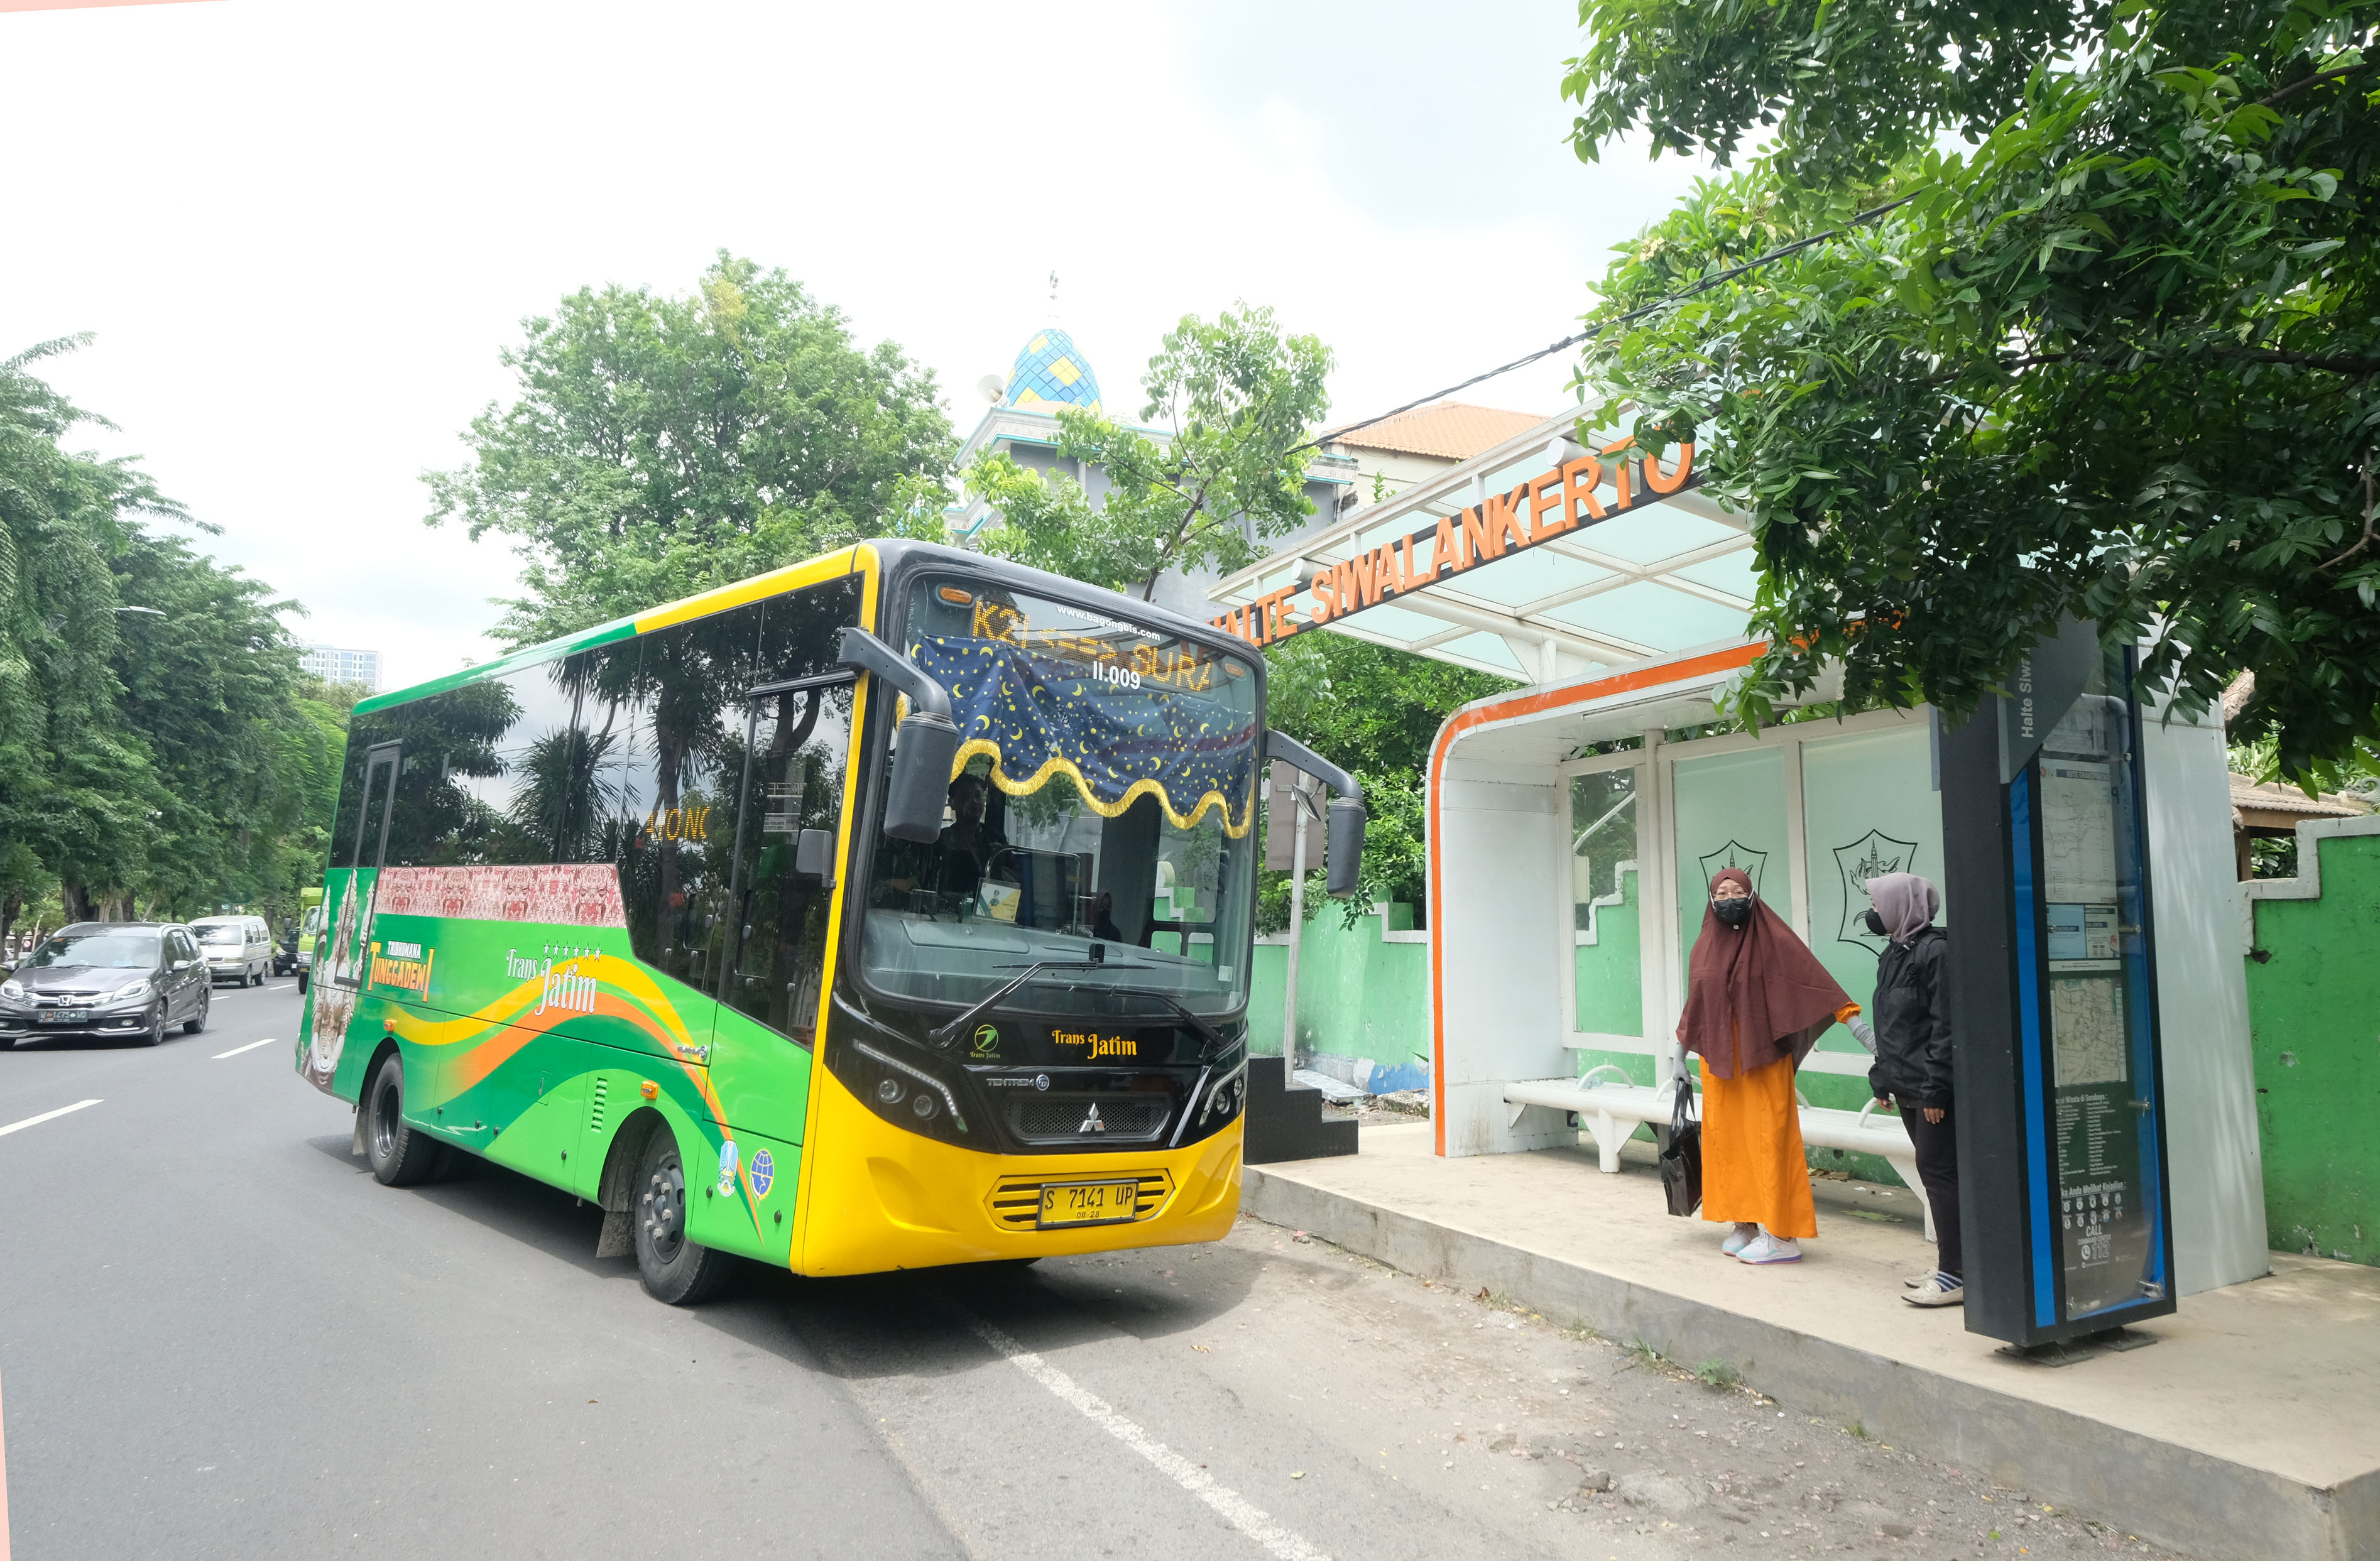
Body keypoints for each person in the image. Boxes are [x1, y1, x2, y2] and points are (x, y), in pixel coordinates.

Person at [1676, 868, 1862, 1265]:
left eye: (1737, 891)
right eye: (1721, 892)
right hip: (1719, 1065)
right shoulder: (1704, 946)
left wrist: (1856, 1024)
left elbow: (1813, 982)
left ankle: (1781, 1235)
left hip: (1762, 1058)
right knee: (1728, 1143)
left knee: (1769, 1141)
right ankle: (1744, 1223)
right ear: (1711, 900)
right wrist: (1678, 1057)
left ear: (1752, 894)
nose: (1729, 898)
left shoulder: (1772, 939)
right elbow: (1696, 1005)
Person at [1861, 872, 1961, 1307]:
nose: (1875, 913)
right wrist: (1882, 1075)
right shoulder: (1896, 953)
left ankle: (1957, 1273)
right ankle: (1951, 1262)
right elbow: (1891, 1024)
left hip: (1930, 1090)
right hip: (1905, 1086)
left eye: (1880, 904)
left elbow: (1946, 1025)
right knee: (1934, 1174)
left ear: (1902, 906)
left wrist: (1936, 1088)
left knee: (1941, 1175)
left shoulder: (1935, 952)